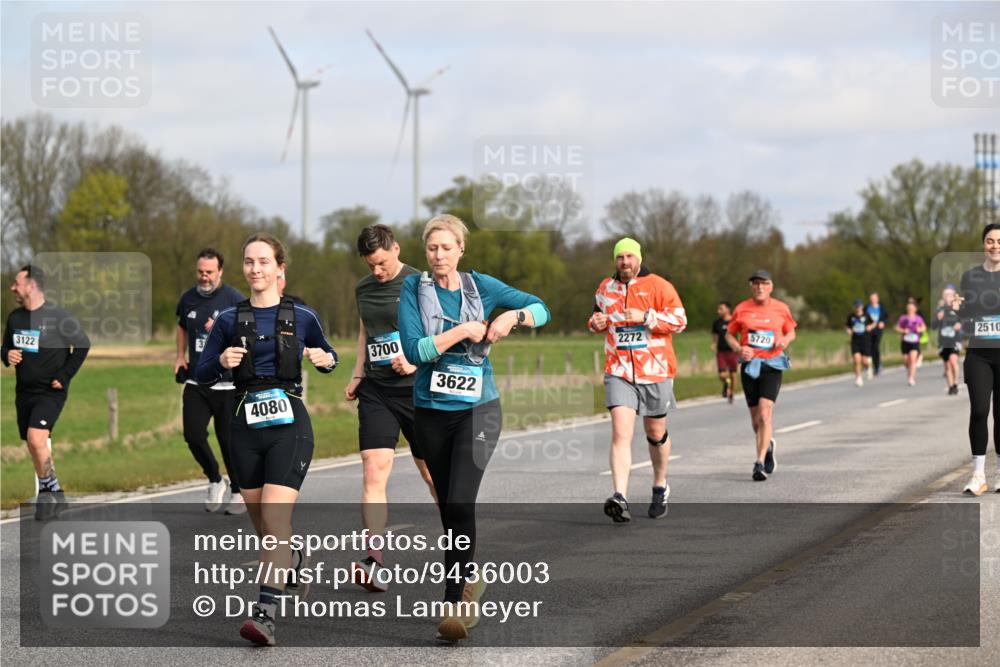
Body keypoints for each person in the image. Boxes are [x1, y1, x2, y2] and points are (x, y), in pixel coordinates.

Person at [398, 214, 550, 642]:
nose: (439, 255)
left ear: (460, 250)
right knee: (449, 506)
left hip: (479, 410)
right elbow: (414, 350)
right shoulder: (414, 289)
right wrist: (462, 330)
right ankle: (470, 578)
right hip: (430, 410)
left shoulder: (480, 285)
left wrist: (513, 317)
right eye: (432, 249)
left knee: (461, 501)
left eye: (447, 248)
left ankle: (454, 602)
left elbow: (543, 308)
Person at [195, 232, 338, 646]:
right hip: (243, 427)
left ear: (280, 269)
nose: (255, 269)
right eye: (249, 262)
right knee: (264, 527)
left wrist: (326, 359)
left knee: (275, 522)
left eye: (263, 262)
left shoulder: (303, 317)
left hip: (289, 426)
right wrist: (220, 362)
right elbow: (201, 373)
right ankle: (293, 562)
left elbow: (330, 356)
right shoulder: (227, 320)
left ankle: (265, 615)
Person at [344, 224, 436, 592]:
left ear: (396, 249)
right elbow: (367, 331)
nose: (377, 272)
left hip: (418, 390)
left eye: (381, 263)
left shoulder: (422, 284)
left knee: (433, 476)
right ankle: (374, 560)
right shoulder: (364, 289)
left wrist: (416, 362)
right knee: (373, 469)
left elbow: (439, 332)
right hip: (378, 389)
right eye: (371, 266)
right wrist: (356, 374)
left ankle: (459, 551)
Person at [588, 238, 687, 523]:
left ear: (639, 259)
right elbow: (596, 316)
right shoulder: (605, 288)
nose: (625, 262)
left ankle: (659, 484)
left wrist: (647, 317)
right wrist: (595, 323)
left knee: (655, 434)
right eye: (620, 257)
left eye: (630, 257)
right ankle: (620, 496)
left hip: (655, 371)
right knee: (621, 433)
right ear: (615, 261)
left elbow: (680, 321)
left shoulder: (659, 286)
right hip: (619, 371)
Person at [2, 265, 90, 519]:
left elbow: (83, 345)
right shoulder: (15, 318)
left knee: (36, 439)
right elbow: (5, 347)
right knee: (35, 446)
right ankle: (50, 495)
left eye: (16, 283)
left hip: (50, 393)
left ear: (31, 285)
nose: (12, 287)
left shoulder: (58, 316)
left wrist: (64, 375)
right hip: (24, 393)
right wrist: (6, 354)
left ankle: (52, 494)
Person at [174, 248, 246, 514]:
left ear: (220, 272)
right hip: (197, 382)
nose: (204, 277)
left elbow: (245, 335)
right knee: (193, 435)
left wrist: (221, 329)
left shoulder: (234, 299)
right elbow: (182, 326)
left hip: (227, 384)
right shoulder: (188, 299)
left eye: (209, 272)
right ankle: (216, 479)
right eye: (200, 272)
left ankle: (239, 491)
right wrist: (180, 356)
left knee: (228, 441)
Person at [724, 269, 797, 482]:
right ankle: (769, 444)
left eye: (764, 283)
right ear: (751, 287)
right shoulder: (742, 308)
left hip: (772, 365)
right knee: (756, 421)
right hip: (750, 366)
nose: (759, 287)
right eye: (755, 283)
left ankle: (759, 462)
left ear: (771, 286)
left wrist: (784, 341)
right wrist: (739, 349)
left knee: (766, 414)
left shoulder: (781, 309)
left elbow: (791, 330)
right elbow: (729, 334)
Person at [956, 223, 1000, 495]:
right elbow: (966, 316)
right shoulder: (970, 277)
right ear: (983, 244)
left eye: (999, 241)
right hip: (979, 353)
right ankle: (978, 475)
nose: (995, 246)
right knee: (980, 411)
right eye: (990, 241)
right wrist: (958, 309)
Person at [933, 285, 963, 396]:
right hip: (943, 341)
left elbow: (965, 320)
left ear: (954, 296)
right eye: (945, 295)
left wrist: (960, 324)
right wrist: (938, 319)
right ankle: (951, 386)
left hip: (955, 340)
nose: (947, 297)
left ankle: (955, 383)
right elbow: (933, 326)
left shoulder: (958, 308)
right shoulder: (939, 310)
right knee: (947, 364)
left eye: (949, 295)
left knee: (953, 360)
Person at [895, 299, 926, 387]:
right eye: (909, 308)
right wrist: (903, 330)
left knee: (912, 359)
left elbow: (924, 327)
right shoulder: (903, 318)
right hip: (905, 341)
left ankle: (911, 378)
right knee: (906, 361)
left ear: (915, 309)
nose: (910, 310)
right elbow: (897, 327)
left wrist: (919, 329)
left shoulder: (918, 318)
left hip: (915, 341)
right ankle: (910, 371)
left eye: (912, 308)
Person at [712, 301, 738, 403]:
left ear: (728, 309)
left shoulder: (734, 321)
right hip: (721, 352)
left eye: (721, 309)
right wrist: (713, 344)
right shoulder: (716, 323)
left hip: (733, 351)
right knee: (722, 375)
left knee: (733, 374)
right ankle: (727, 383)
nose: (718, 311)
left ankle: (731, 392)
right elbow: (715, 336)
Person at [845, 299, 875, 387]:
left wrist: (870, 326)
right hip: (855, 340)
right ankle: (858, 378)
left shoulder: (866, 315)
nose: (858, 308)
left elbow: (873, 323)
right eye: (856, 306)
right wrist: (849, 330)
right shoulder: (851, 317)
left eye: (859, 306)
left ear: (862, 306)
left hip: (865, 340)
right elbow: (847, 326)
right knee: (856, 359)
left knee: (865, 361)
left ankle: (868, 367)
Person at [866, 292, 889, 376]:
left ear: (877, 299)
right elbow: (864, 319)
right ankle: (872, 365)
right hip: (869, 331)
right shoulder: (867, 308)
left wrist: (883, 323)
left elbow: (886, 318)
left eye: (874, 298)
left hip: (878, 331)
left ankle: (877, 365)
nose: (873, 300)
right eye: (871, 298)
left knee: (875, 347)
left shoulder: (882, 308)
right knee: (869, 348)